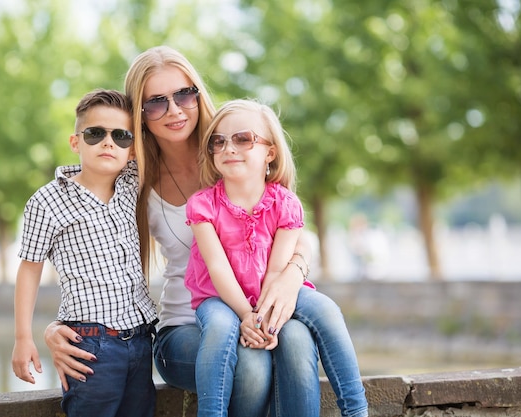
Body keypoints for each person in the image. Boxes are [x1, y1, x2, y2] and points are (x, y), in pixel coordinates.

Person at [44, 46, 364, 417]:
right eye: (156, 102)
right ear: (140, 114)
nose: (175, 110)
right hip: (185, 327)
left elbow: (291, 230)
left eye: (184, 94)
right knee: (252, 366)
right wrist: (58, 325)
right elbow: (78, 233)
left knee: (296, 337)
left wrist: (291, 276)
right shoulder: (132, 177)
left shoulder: (232, 147)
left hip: (258, 307)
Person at [185, 99, 369, 417]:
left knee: (325, 309)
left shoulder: (285, 203)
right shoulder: (203, 205)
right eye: (219, 141)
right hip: (220, 297)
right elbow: (216, 267)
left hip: (274, 292)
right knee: (218, 327)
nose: (229, 148)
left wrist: (266, 317)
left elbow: (276, 270)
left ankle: (356, 410)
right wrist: (246, 313)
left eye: (243, 138)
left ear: (270, 152)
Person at [11, 89, 158, 417]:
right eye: (95, 133)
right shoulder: (47, 202)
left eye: (120, 136)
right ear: (76, 142)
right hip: (91, 344)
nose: (108, 142)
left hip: (141, 338)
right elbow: (29, 268)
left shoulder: (133, 182)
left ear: (132, 150)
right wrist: (24, 337)